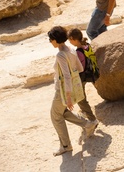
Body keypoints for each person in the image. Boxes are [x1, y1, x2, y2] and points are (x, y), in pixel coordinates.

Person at [48, 26, 98, 156]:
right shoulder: (71, 49)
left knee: (55, 116)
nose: (49, 42)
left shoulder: (60, 55)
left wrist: (68, 97)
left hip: (62, 91)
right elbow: (80, 68)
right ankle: (87, 125)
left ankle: (66, 145)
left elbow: (67, 76)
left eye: (50, 39)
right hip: (70, 89)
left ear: (55, 40)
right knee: (62, 113)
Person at [67, 28, 99, 124]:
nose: (69, 42)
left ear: (73, 38)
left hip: (82, 77)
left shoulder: (78, 52)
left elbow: (79, 67)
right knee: (82, 96)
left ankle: (92, 119)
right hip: (89, 73)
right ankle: (84, 112)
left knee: (81, 99)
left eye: (69, 40)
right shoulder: (86, 45)